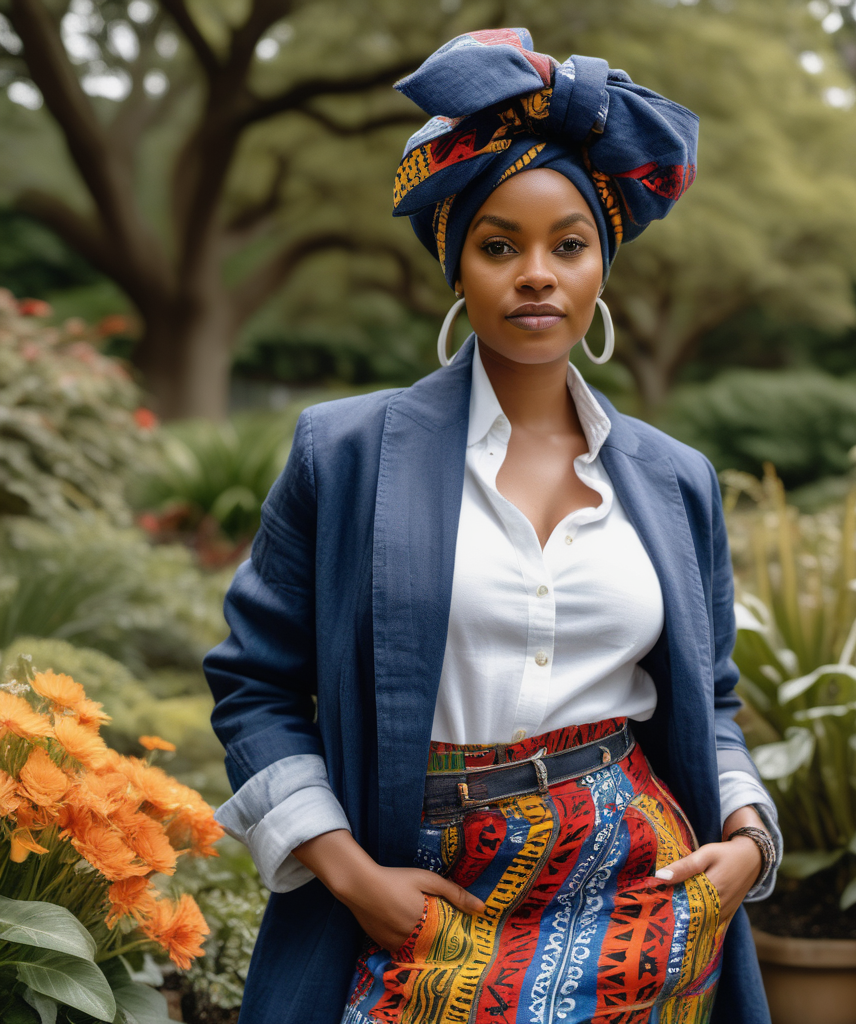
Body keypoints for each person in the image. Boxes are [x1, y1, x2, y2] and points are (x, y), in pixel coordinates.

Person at [205, 28, 781, 1024]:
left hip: (639, 888)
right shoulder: (344, 453)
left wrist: (745, 837)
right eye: (499, 244)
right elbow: (254, 684)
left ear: (602, 266)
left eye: (569, 244)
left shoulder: (675, 479)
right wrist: (346, 872)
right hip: (417, 884)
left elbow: (713, 697)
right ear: (456, 263)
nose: (536, 274)